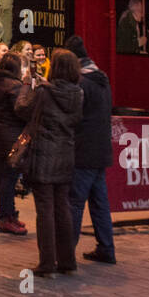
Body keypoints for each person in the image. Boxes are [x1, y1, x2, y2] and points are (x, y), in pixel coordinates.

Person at [20, 48, 83, 277]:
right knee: (63, 207)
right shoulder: (78, 94)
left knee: (45, 209)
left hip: (44, 154)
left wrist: (27, 86)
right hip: (66, 154)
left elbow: (22, 109)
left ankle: (47, 263)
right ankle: (67, 261)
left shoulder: (45, 93)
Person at [65, 35, 115, 265]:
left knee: (75, 202)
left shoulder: (81, 84)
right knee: (99, 202)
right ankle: (106, 247)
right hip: (101, 149)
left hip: (83, 150)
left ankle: (67, 252)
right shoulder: (102, 79)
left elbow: (74, 116)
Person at [0, 50, 31, 236]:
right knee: (10, 179)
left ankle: (9, 215)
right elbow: (22, 110)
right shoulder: (14, 86)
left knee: (6, 178)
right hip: (12, 136)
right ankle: (6, 218)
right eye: (22, 66)